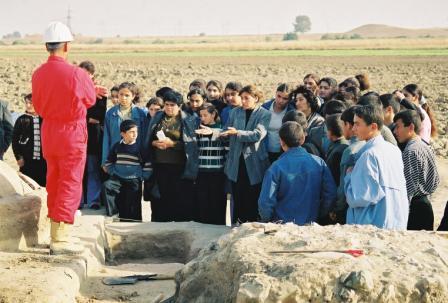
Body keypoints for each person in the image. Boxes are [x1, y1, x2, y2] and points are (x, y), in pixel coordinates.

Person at [32, 21, 103, 255]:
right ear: (66, 46)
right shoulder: (77, 73)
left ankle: (55, 231)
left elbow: (39, 104)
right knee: (70, 182)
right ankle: (60, 238)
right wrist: (90, 88)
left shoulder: (38, 74)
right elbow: (90, 100)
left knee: (53, 180)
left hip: (49, 132)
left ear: (46, 46)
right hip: (71, 133)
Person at [344, 105, 409, 230]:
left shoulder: (369, 155)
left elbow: (359, 198)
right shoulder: (394, 150)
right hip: (397, 220)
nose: (353, 128)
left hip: (374, 224)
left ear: (373, 126)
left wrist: (349, 176)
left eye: (357, 124)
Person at [258, 121, 336, 224]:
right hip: (311, 223)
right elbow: (330, 194)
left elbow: (265, 202)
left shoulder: (275, 167)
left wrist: (268, 221)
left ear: (281, 142)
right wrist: (319, 213)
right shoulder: (319, 163)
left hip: (282, 226)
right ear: (303, 139)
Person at [143, 90, 198, 222]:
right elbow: (149, 138)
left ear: (179, 105)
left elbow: (191, 145)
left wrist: (172, 144)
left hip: (179, 167)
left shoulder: (187, 119)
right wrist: (154, 143)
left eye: (172, 105)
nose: (168, 107)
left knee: (179, 199)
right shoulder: (158, 117)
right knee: (159, 198)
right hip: (159, 166)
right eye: (166, 104)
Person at [221, 84, 271, 223]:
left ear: (256, 98)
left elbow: (257, 134)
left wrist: (237, 133)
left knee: (253, 196)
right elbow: (226, 130)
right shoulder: (235, 112)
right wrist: (215, 133)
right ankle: (237, 225)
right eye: (241, 98)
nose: (242, 101)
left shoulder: (264, 114)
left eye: (246, 98)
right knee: (238, 196)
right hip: (237, 163)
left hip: (254, 163)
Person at [393, 110, 440, 230]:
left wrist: (400, 213)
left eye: (398, 127)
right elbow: (436, 180)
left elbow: (409, 187)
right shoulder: (426, 146)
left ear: (411, 127)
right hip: (426, 205)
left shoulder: (410, 151)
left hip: (414, 209)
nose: (395, 131)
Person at [102, 120, 151, 222]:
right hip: (118, 178)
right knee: (107, 186)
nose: (135, 134)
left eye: (136, 132)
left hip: (134, 180)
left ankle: (134, 223)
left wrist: (143, 176)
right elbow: (109, 162)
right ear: (123, 134)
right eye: (131, 132)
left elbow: (148, 164)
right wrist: (112, 172)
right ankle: (113, 214)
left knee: (133, 203)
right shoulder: (117, 146)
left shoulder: (140, 148)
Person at [79, 61, 107, 210]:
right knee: (78, 172)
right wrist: (87, 117)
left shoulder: (100, 92)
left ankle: (93, 200)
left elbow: (99, 116)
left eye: (86, 73)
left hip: (93, 138)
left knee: (93, 170)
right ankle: (78, 201)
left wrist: (84, 116)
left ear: (92, 75)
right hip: (77, 137)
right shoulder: (75, 91)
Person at [329, 106, 365, 224]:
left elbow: (343, 186)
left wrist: (337, 209)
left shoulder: (350, 151)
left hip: (349, 207)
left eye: (343, 125)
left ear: (349, 125)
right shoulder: (367, 145)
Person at [194, 104, 227, 225]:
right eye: (200, 115)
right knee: (203, 204)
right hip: (202, 172)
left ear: (213, 114)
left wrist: (215, 132)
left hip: (217, 173)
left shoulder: (222, 129)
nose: (202, 118)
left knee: (217, 204)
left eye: (205, 115)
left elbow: (227, 146)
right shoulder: (198, 129)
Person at [12, 94, 47, 186]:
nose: (28, 105)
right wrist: (18, 157)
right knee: (27, 185)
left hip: (43, 161)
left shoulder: (45, 119)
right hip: (27, 161)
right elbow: (14, 140)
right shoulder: (21, 120)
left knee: (43, 186)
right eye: (26, 103)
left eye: (31, 103)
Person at [262, 83, 295, 163]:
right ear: (275, 94)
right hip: (264, 152)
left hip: (283, 152)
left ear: (290, 100)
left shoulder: (291, 111)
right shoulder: (265, 108)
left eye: (285, 98)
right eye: (278, 96)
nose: (280, 101)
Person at [324, 114, 349, 186]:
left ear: (330, 131)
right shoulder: (342, 144)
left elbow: (334, 178)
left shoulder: (338, 152)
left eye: (327, 129)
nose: (325, 132)